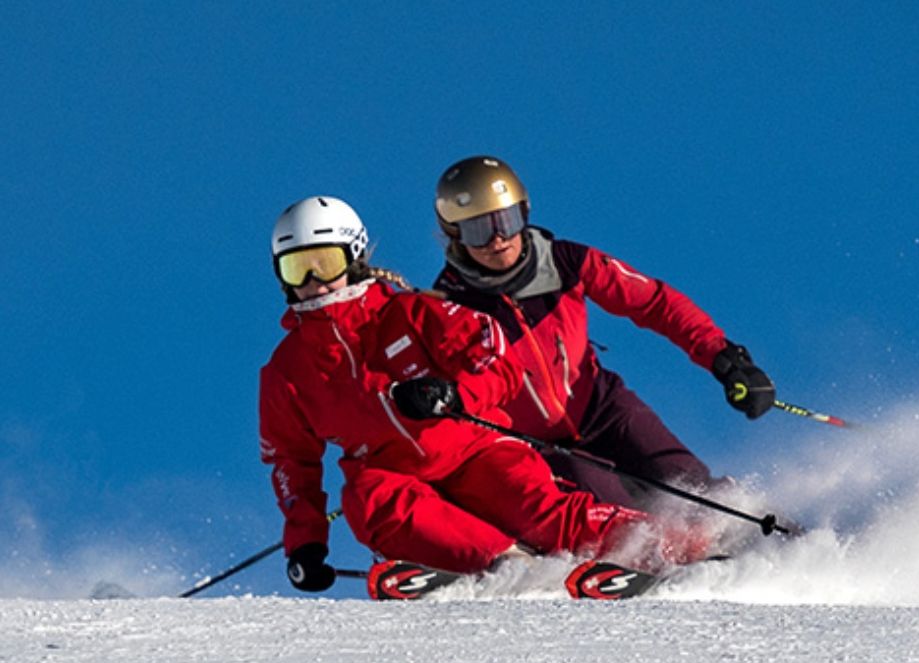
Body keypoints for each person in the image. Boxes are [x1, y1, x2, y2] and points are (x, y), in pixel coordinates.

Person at [258, 196, 656, 593]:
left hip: (473, 450)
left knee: (540, 513)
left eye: (326, 263)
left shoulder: (409, 313)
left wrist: (455, 395)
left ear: (354, 256)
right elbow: (290, 461)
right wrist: (306, 544)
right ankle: (511, 567)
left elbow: (496, 356)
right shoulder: (288, 369)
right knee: (367, 499)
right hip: (395, 478)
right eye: (297, 268)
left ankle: (664, 544)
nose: (313, 281)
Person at [431, 156, 776, 509]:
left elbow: (653, 303)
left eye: (506, 221)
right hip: (537, 446)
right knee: (599, 498)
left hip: (602, 407)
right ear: (455, 235)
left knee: (685, 481)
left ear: (524, 213)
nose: (497, 239)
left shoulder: (563, 261)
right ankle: (660, 545)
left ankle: (774, 534)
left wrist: (724, 358)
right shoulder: (449, 307)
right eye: (478, 230)